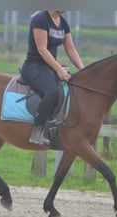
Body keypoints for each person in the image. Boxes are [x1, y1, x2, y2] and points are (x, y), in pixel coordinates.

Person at [21, 10, 84, 145]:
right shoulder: (40, 19)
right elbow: (42, 49)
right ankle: (37, 132)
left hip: (49, 67)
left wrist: (83, 70)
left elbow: (71, 50)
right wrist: (59, 70)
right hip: (34, 66)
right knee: (52, 92)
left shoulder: (63, 23)